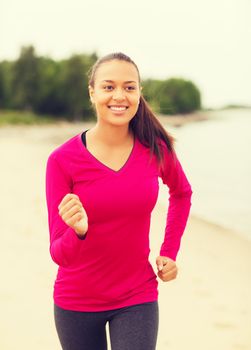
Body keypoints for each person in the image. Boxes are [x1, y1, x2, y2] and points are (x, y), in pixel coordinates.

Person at [45, 52, 192, 350]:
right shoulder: (62, 161)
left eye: (129, 87)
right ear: (92, 92)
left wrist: (170, 252)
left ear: (139, 93)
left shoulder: (156, 149)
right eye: (108, 87)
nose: (119, 96)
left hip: (137, 296)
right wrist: (78, 231)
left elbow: (181, 193)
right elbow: (59, 254)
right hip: (77, 301)